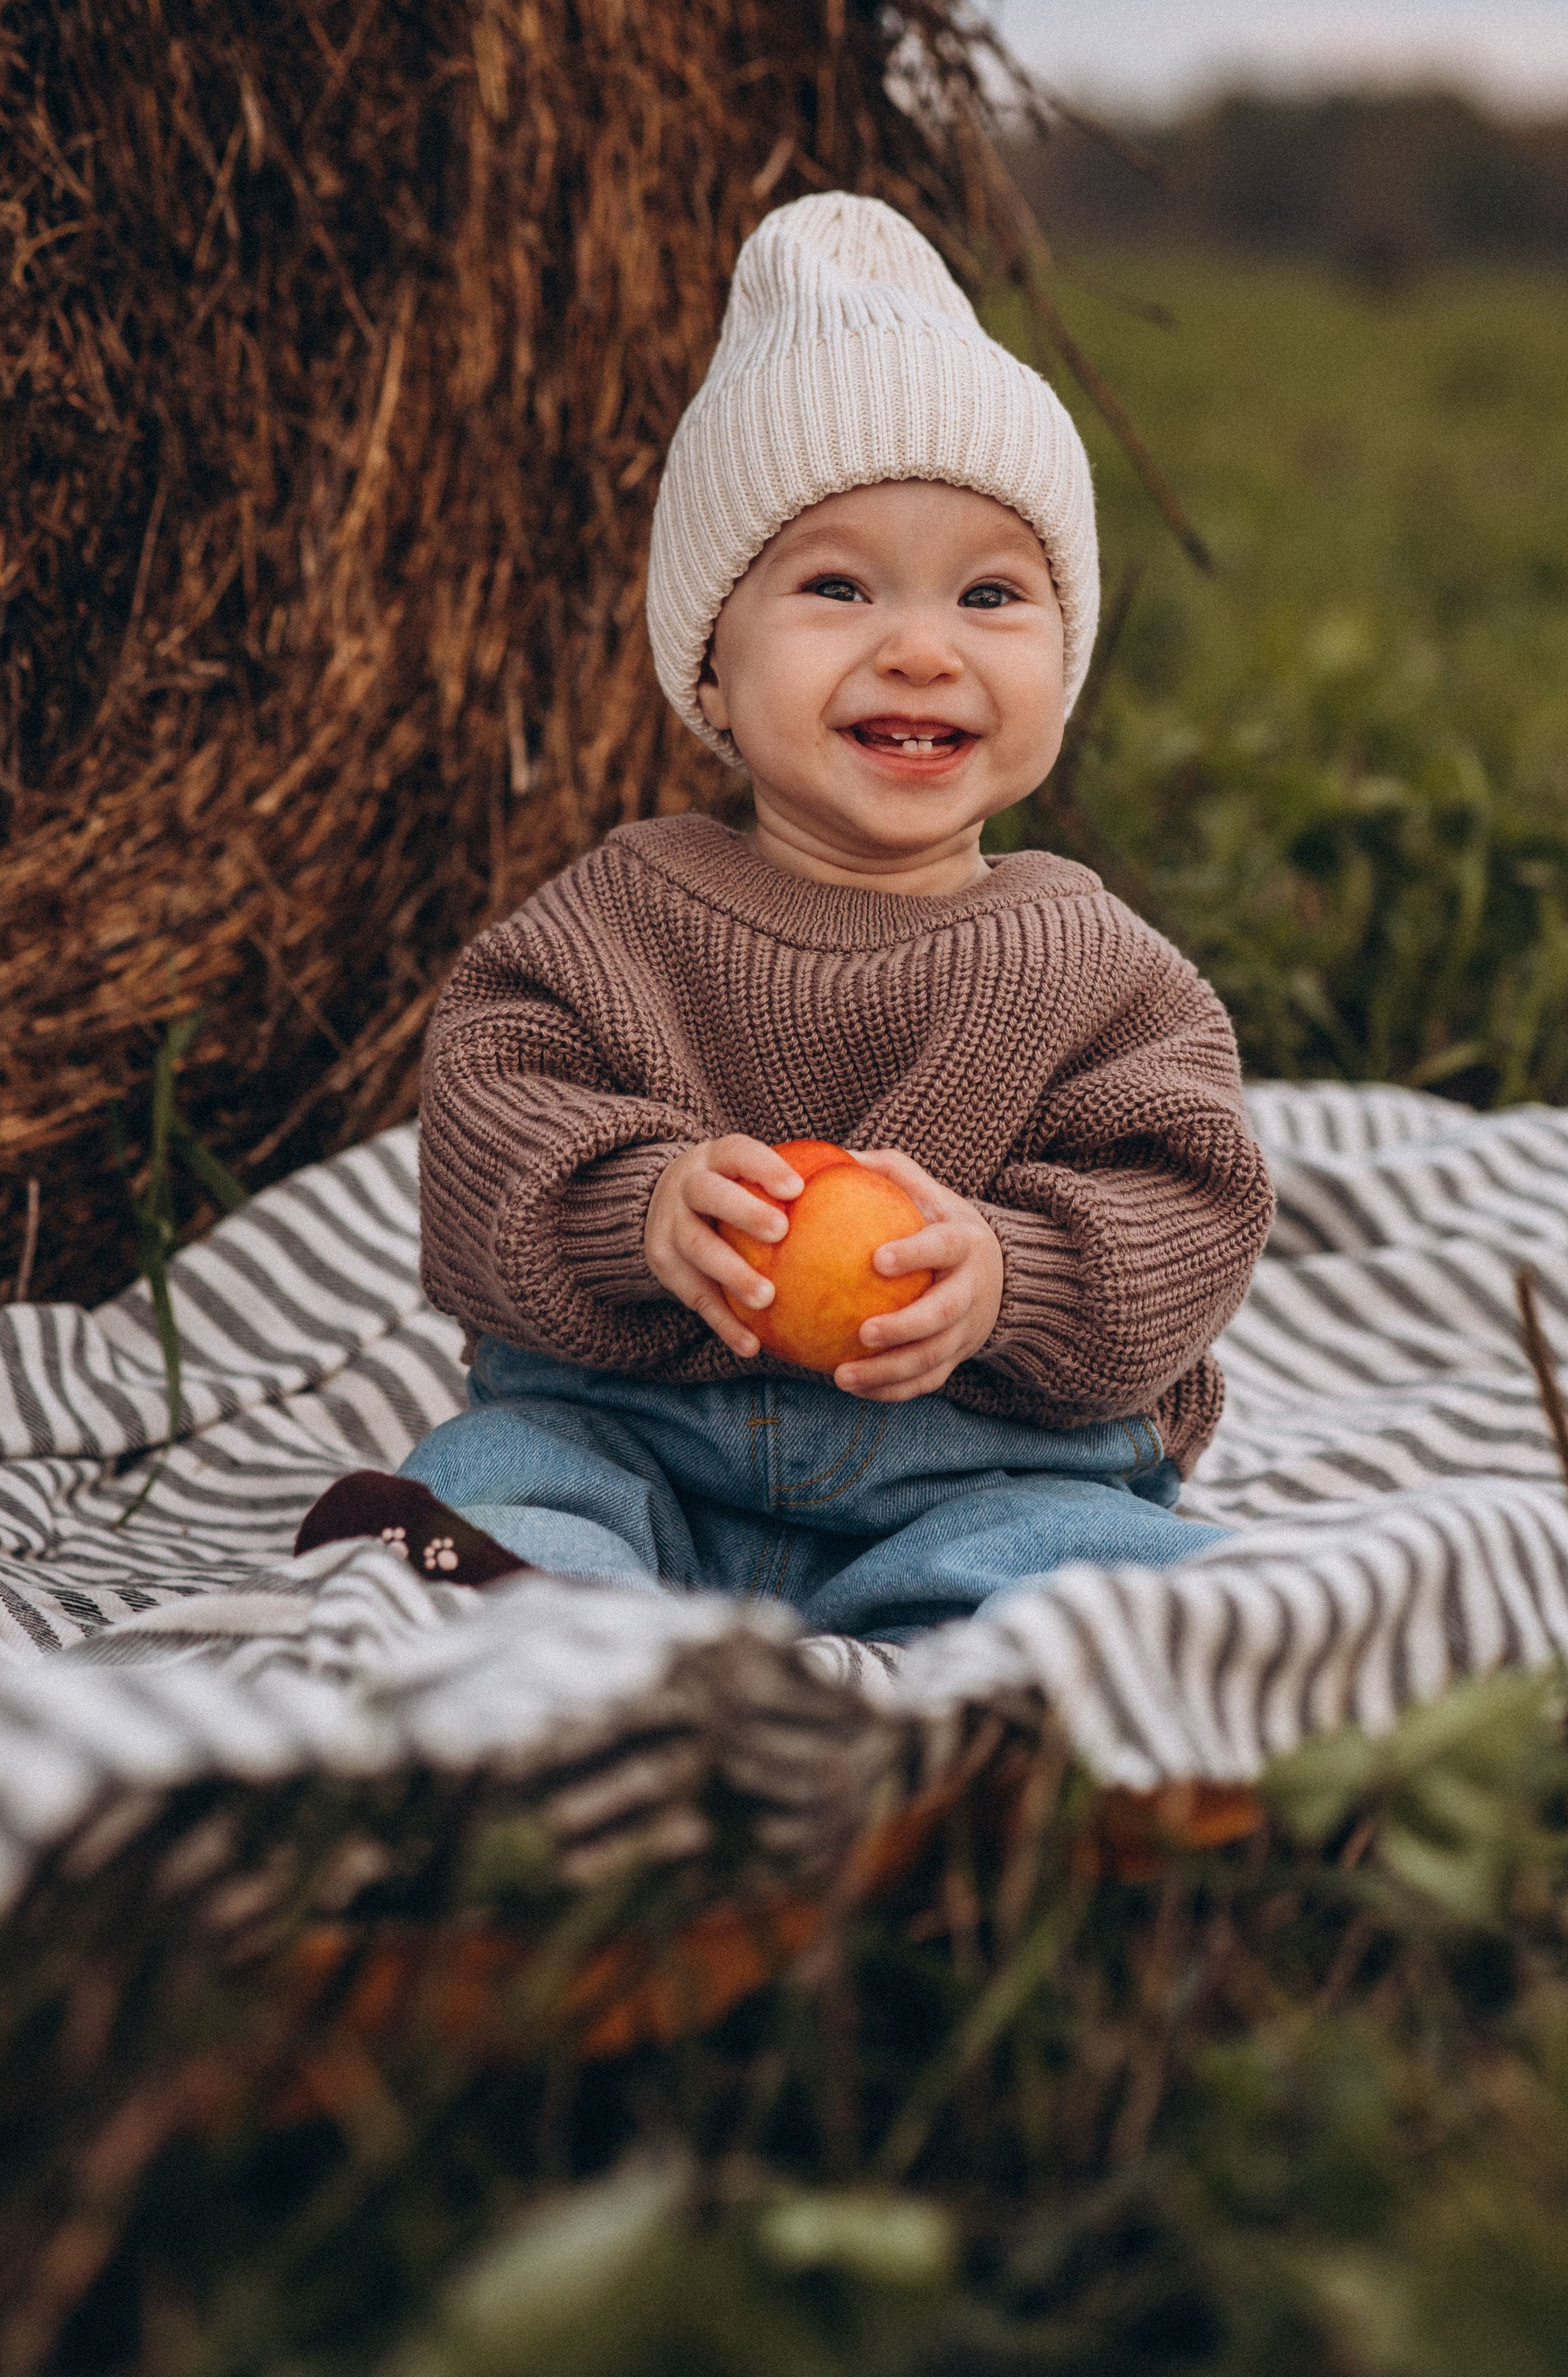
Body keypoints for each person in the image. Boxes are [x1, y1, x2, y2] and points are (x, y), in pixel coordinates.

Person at [297, 194, 1272, 1636]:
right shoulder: (609, 921)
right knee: (499, 1484)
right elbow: (490, 1130)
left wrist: (1011, 1278)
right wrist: (640, 1213)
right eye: (836, 585)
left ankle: (1108, 1688)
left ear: (1062, 661)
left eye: (992, 594)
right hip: (638, 1439)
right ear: (710, 663)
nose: (921, 648)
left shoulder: (1105, 972)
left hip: (977, 1465)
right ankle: (518, 1631)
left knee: (1104, 1568)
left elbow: (1190, 1208)